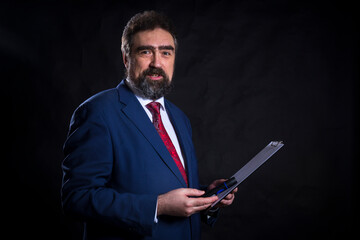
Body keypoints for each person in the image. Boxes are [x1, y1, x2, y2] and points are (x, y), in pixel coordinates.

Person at [61, 10, 237, 240]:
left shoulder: (179, 118)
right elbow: (77, 198)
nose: (157, 63)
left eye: (166, 52)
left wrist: (208, 198)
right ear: (126, 58)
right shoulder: (97, 112)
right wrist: (158, 206)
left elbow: (168, 183)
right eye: (146, 52)